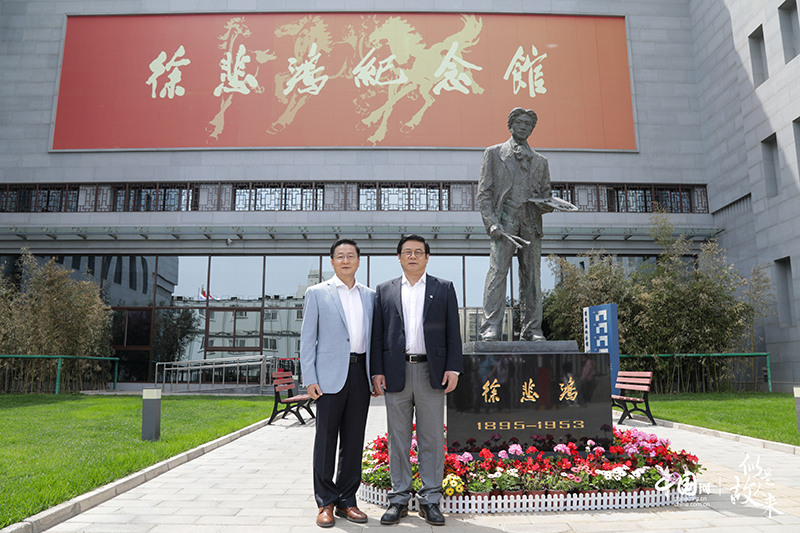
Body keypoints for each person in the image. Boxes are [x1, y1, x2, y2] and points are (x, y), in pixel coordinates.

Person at [370, 234, 463, 526]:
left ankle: (430, 500)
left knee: (431, 438)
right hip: (395, 372)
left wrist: (453, 367)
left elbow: (453, 332)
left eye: (418, 252)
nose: (413, 256)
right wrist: (376, 371)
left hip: (430, 372)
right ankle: (398, 499)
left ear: (427, 257)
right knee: (398, 438)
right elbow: (377, 335)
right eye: (407, 252)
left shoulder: (443, 288)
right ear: (399, 257)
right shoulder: (384, 290)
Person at [300, 238, 375, 528]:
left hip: (360, 374)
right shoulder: (318, 293)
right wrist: (310, 378)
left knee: (354, 441)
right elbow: (307, 339)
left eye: (351, 256)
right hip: (328, 378)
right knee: (326, 441)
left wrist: (374, 375)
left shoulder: (370, 296)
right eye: (340, 256)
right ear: (332, 262)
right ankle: (325, 501)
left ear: (359, 261)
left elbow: (374, 339)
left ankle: (347, 500)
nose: (345, 261)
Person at [478, 107, 552, 341]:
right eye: (519, 122)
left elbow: (546, 195)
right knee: (498, 273)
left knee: (532, 277)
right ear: (510, 125)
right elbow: (484, 193)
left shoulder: (541, 161)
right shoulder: (494, 154)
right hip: (504, 223)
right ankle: (491, 326)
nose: (523, 127)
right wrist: (491, 223)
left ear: (532, 129)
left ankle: (532, 329)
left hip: (531, 224)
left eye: (528, 124)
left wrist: (548, 205)